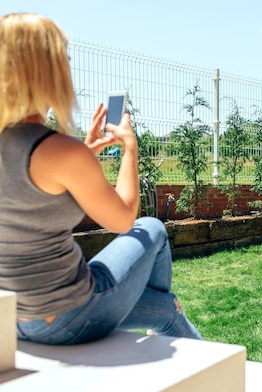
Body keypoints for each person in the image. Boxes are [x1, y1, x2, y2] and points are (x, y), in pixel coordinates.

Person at [0, 13, 202, 345]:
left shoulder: (37, 148)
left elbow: (29, 194)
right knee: (151, 228)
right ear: (44, 70)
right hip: (64, 316)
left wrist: (86, 152)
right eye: (63, 59)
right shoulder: (58, 150)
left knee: (167, 311)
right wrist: (130, 148)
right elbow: (122, 219)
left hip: (12, 319)